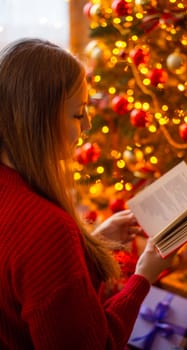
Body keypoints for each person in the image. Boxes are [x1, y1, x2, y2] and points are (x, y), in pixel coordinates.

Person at [0, 38, 174, 350]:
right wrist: (143, 279)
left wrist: (90, 246)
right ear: (38, 119)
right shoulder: (47, 228)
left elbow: (38, 294)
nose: (88, 124)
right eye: (79, 114)